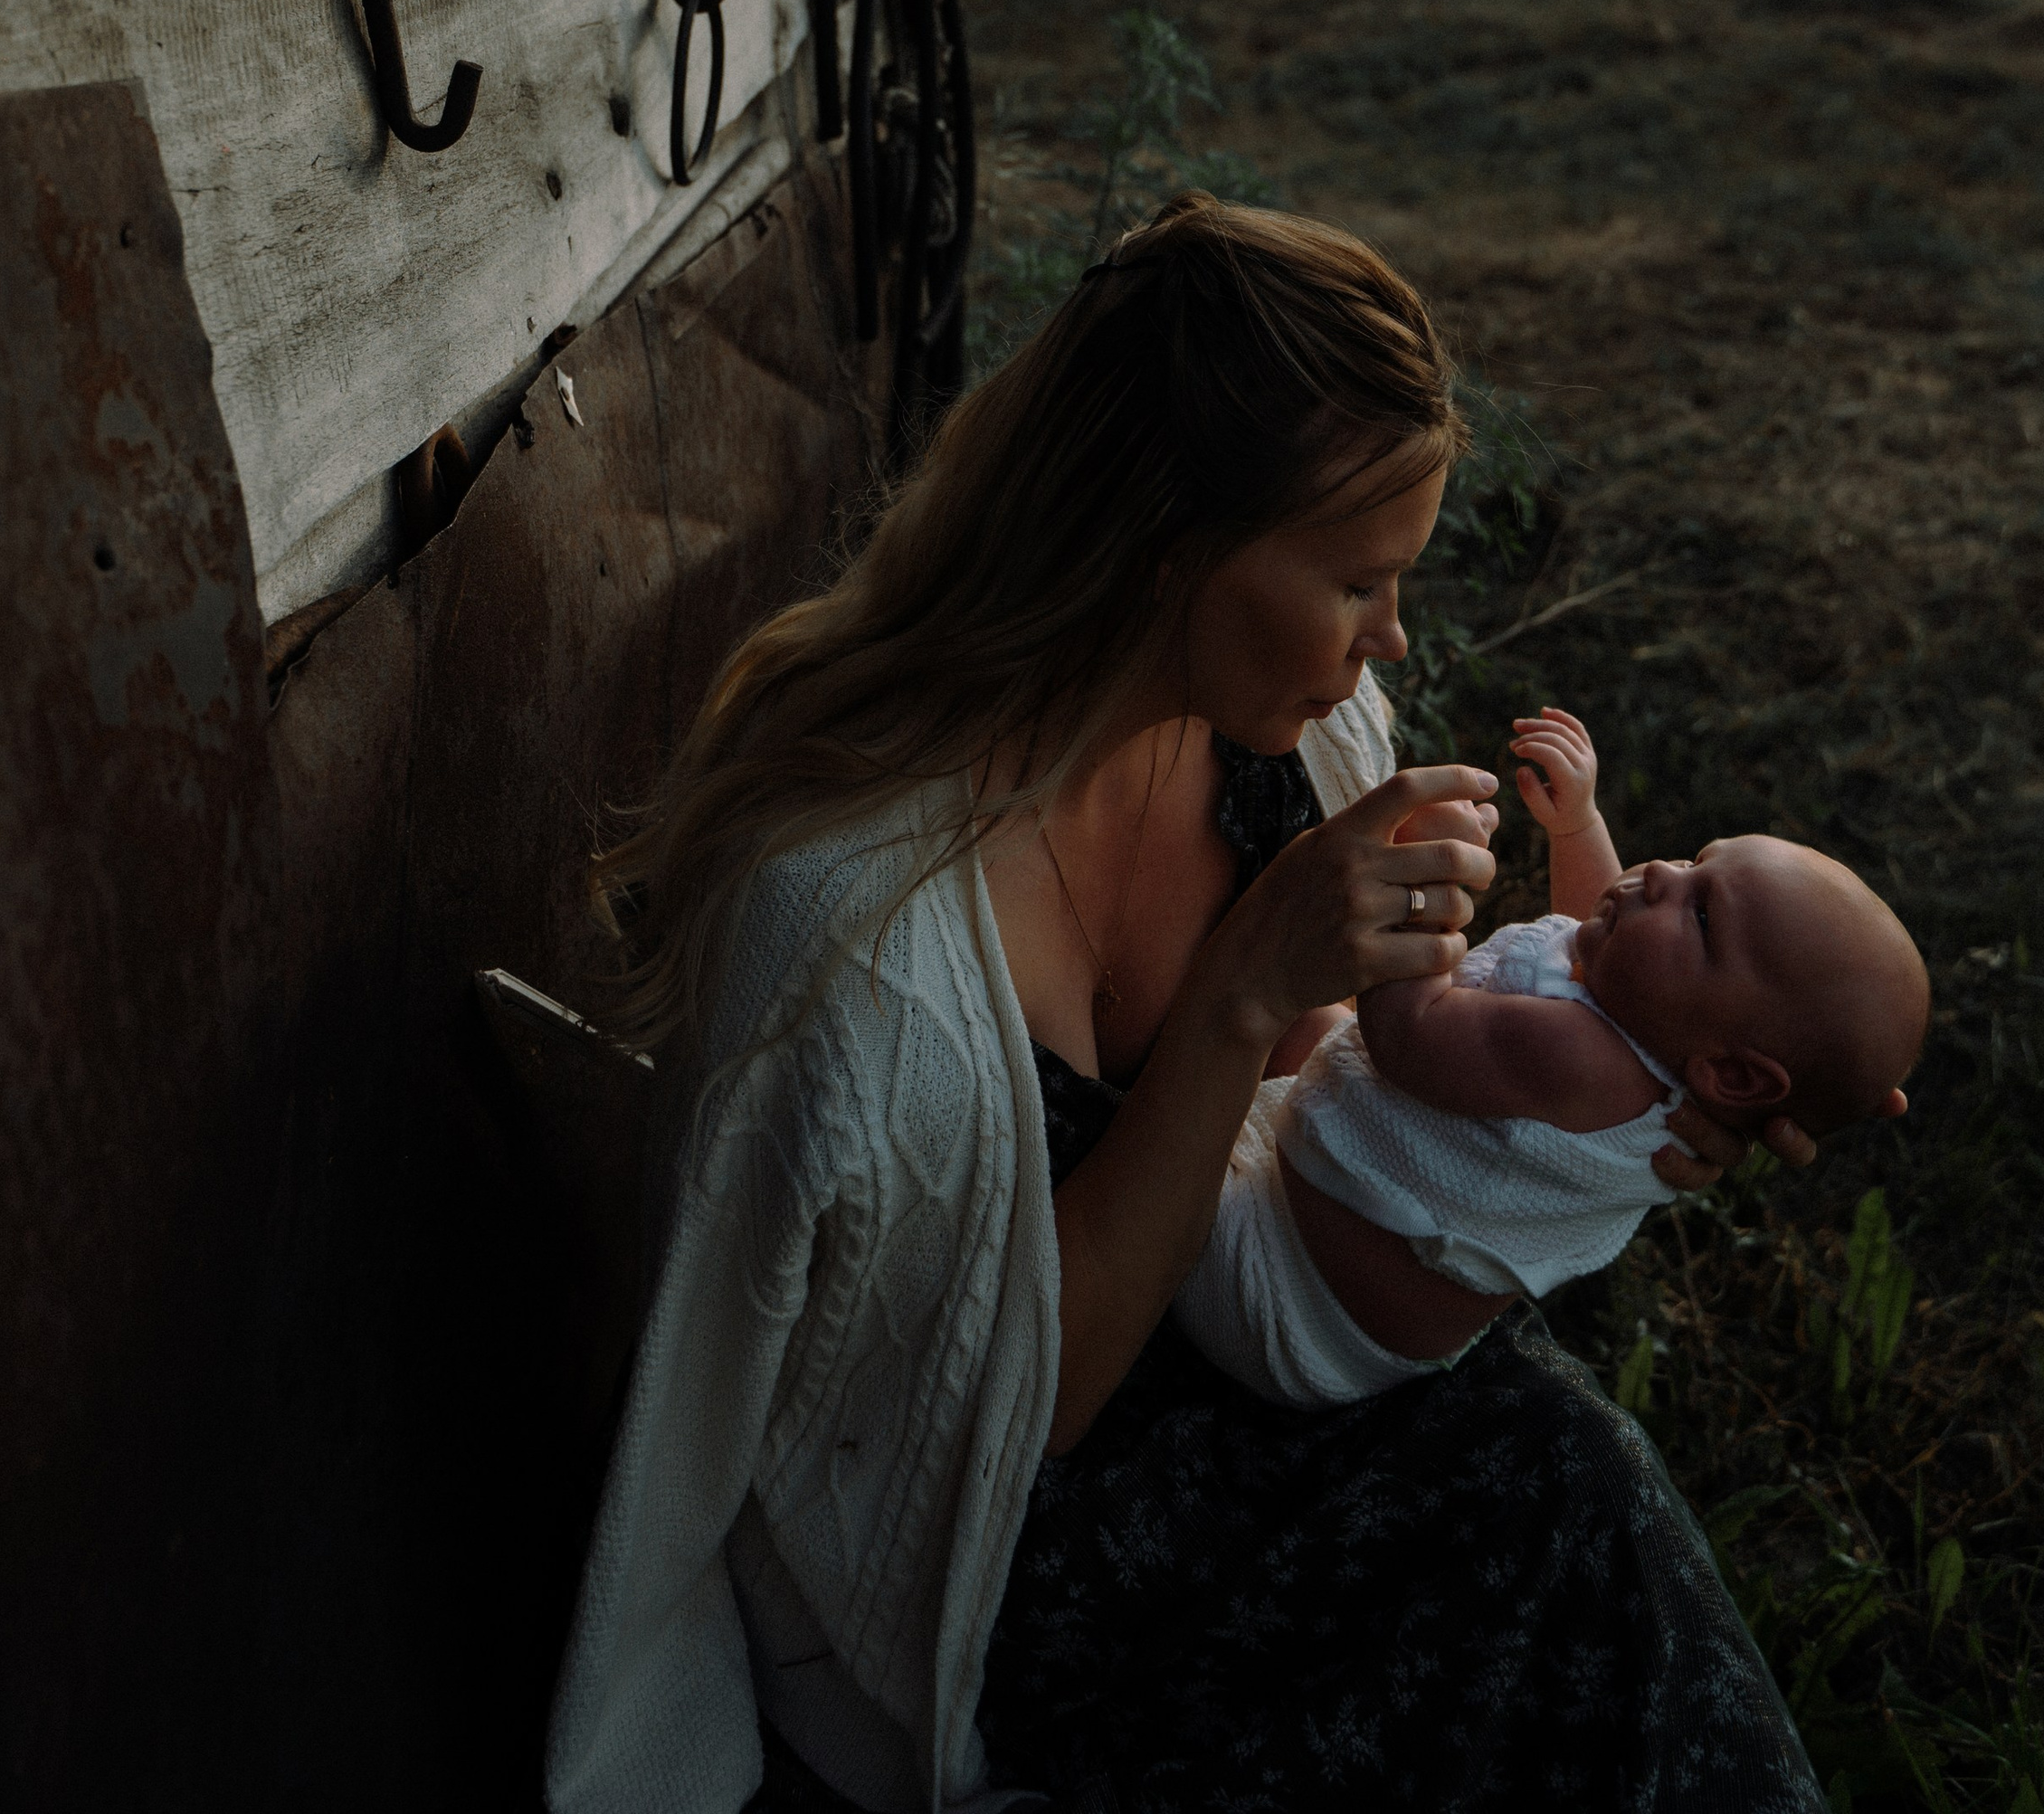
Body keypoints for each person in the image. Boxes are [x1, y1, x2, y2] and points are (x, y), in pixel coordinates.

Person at [547, 196, 1833, 1814]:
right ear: (1169, 545)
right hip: (1023, 1571)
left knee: (1573, 1486)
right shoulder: (860, 932)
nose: (1392, 641)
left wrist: (1632, 1093)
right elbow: (1019, 1421)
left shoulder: (1287, 744)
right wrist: (1241, 995)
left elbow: (1358, 1121)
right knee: (1547, 1528)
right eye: (1359, 584)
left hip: (1264, 1395)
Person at [1176, 707, 1930, 1410]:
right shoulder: (1655, 1025)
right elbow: (1587, 917)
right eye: (1698, 860)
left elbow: (1408, 1034)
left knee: (1228, 1037)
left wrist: (1422, 873)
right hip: (1314, 1208)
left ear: (1730, 1074)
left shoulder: (1582, 1063)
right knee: (1293, 1005)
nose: (1662, 874)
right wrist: (1577, 827)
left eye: (1701, 911)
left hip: (1278, 1295)